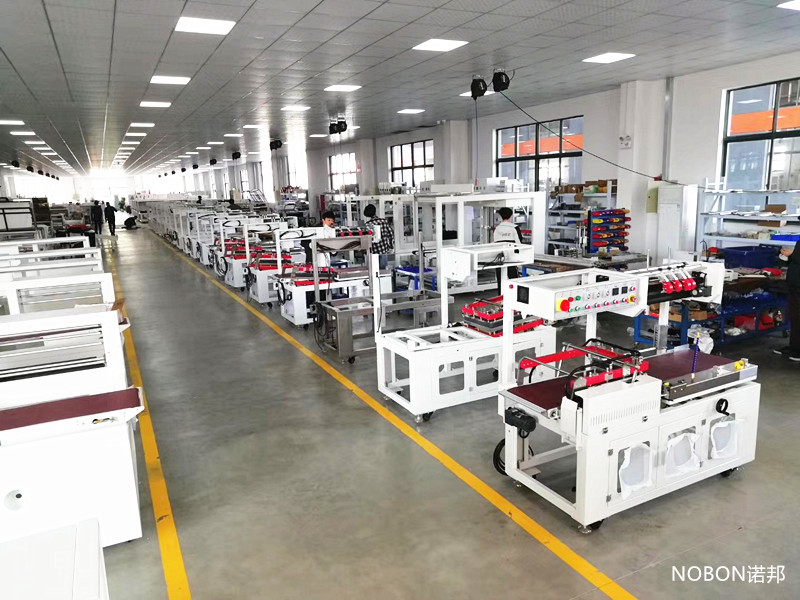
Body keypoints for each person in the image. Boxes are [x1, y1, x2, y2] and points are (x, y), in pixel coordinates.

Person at [774, 241, 800, 361]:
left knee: (798, 317)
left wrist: (791, 254)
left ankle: (797, 351)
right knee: (794, 317)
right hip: (794, 285)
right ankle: (794, 347)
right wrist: (788, 257)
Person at [492, 207, 522, 295]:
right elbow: (519, 243)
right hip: (511, 258)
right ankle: (514, 297)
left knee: (500, 279)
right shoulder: (514, 228)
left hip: (499, 258)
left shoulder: (497, 229)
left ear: (501, 216)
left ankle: (500, 297)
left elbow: (495, 243)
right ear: (511, 216)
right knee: (514, 280)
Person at [363, 204, 394, 270]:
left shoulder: (368, 224)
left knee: (374, 270)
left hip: (373, 251)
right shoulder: (384, 221)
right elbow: (391, 234)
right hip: (384, 249)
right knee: (383, 270)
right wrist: (391, 246)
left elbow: (366, 239)